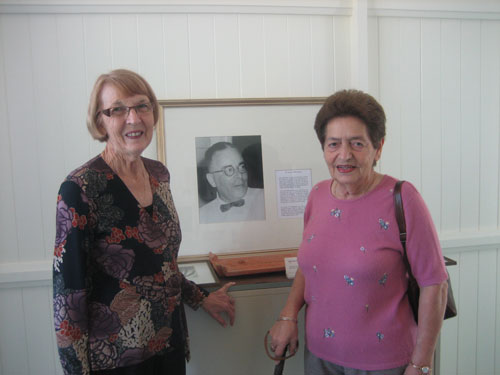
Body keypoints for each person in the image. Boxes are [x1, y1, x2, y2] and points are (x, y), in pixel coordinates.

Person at [53, 69, 236, 375]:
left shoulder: (158, 175)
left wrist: (201, 298)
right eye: (118, 110)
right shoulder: (79, 188)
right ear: (101, 121)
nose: (134, 118)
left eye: (142, 106)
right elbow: (67, 298)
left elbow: (162, 265)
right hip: (114, 360)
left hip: (169, 345)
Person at [269, 89, 448, 375]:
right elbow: (309, 265)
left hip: (384, 363)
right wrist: (288, 316)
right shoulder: (317, 196)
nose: (344, 155)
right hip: (318, 357)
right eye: (333, 144)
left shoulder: (403, 198)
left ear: (378, 147)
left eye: (357, 143)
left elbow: (434, 284)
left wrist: (421, 362)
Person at [199, 141, 265, 224]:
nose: (240, 176)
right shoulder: (202, 216)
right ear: (212, 180)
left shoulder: (265, 199)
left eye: (242, 167)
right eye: (229, 170)